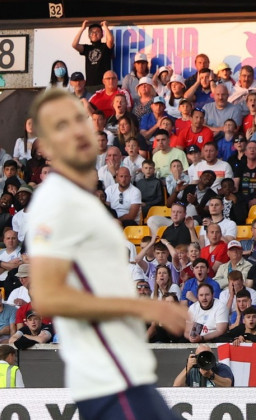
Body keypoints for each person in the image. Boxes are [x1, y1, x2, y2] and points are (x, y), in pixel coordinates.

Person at [27, 89, 188, 418]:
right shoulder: (54, 200)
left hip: (126, 376)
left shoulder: (83, 200)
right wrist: (143, 305)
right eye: (60, 125)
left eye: (77, 118)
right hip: (109, 379)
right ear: (45, 146)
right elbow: (46, 295)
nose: (75, 129)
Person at [71, 20, 113, 87]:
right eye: (91, 32)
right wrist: (82, 28)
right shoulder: (87, 48)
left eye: (97, 31)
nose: (94, 34)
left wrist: (105, 27)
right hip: (89, 85)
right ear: (88, 35)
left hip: (103, 85)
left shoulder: (105, 46)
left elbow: (110, 40)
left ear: (102, 34)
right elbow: (74, 45)